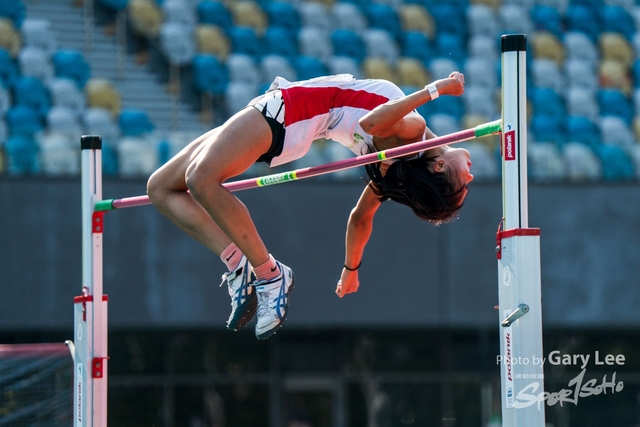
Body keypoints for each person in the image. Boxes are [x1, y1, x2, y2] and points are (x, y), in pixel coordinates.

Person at [146, 72, 472, 340]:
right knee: (161, 188)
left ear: (440, 168)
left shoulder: (414, 130)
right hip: (291, 117)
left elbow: (372, 123)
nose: (471, 174)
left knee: (202, 180)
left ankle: (269, 274)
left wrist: (436, 89)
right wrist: (351, 269)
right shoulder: (392, 169)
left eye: (465, 181)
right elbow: (360, 218)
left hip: (292, 111)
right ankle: (239, 263)